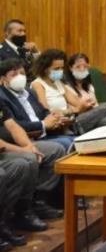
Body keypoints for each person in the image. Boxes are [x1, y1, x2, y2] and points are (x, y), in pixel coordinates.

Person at [0, 101, 65, 235]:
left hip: (12, 145)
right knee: (27, 160)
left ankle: (36, 204)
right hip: (5, 149)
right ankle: (11, 216)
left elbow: (13, 126)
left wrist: (30, 146)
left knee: (54, 150)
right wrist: (23, 150)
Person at [30, 50, 106, 134]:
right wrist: (71, 110)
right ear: (45, 68)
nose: (60, 71)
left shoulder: (58, 83)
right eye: (56, 69)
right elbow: (46, 113)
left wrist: (85, 105)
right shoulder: (38, 84)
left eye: (62, 68)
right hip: (64, 125)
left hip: (73, 120)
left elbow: (78, 105)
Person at [0, 59, 74, 153]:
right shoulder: (2, 97)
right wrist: (43, 124)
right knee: (66, 144)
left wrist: (55, 118)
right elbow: (15, 125)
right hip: (27, 139)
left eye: (22, 73)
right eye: (14, 75)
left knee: (74, 140)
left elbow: (43, 111)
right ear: (2, 79)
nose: (20, 77)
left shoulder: (30, 92)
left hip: (45, 134)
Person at [63, 53, 106, 125]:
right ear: (71, 68)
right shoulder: (67, 88)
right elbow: (76, 109)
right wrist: (87, 105)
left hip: (94, 116)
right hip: (78, 119)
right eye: (78, 67)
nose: (82, 69)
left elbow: (96, 106)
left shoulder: (89, 87)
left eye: (85, 66)